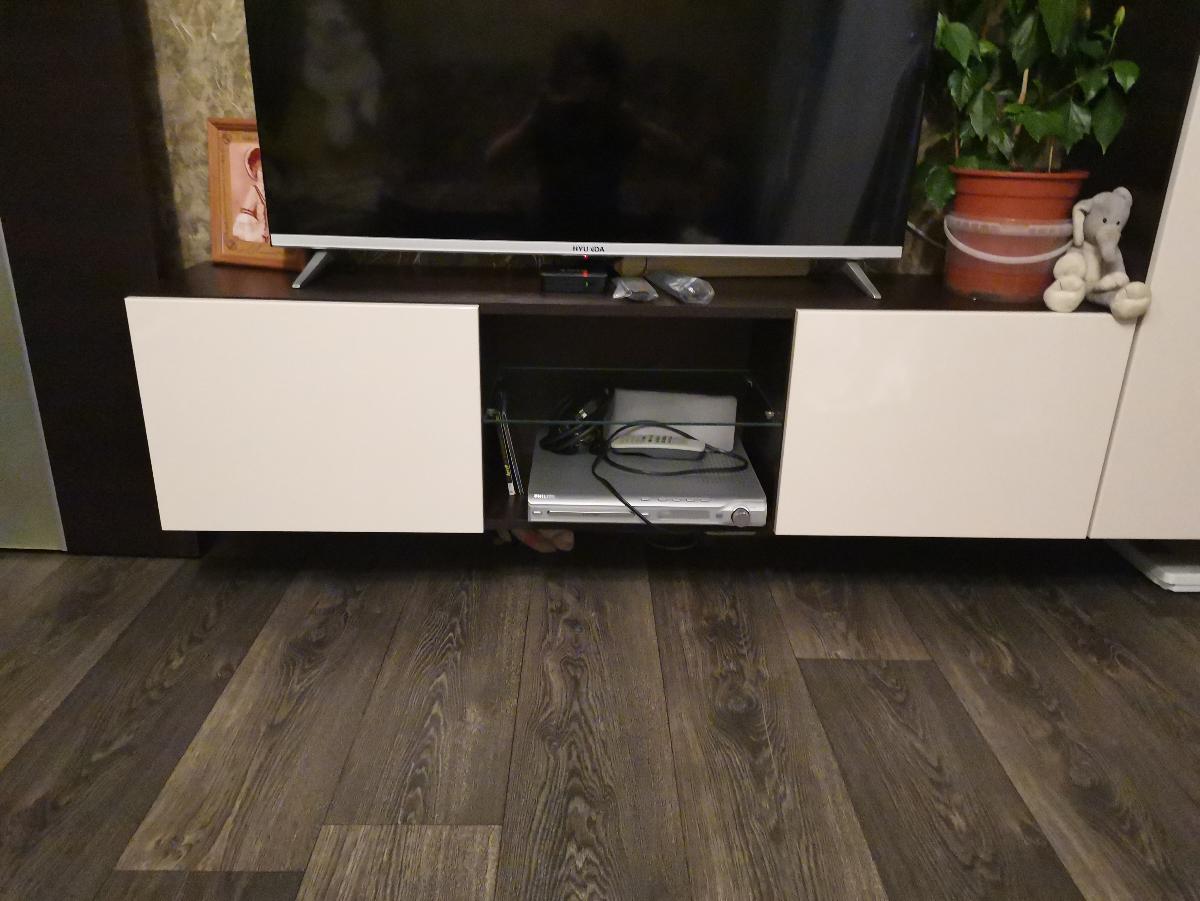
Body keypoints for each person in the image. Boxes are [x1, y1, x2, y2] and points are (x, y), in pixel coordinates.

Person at [232, 147, 270, 244]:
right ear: (254, 170)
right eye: (260, 169)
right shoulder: (255, 190)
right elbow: (245, 214)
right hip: (264, 234)